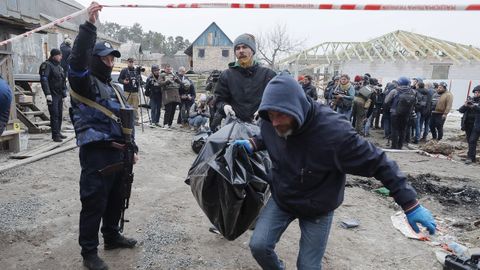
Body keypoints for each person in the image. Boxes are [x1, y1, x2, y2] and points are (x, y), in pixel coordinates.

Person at [233, 73, 436, 270]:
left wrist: (410, 204)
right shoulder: (270, 119)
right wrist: (254, 142)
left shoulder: (335, 133)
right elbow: (272, 134)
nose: (275, 121)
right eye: (270, 115)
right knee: (258, 246)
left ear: (297, 108)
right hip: (283, 197)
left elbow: (379, 162)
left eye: (280, 115)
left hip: (318, 205)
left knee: (308, 266)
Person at [68, 3, 138, 269]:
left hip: (121, 151)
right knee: (94, 201)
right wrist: (89, 27)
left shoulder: (114, 86)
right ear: (94, 59)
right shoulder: (82, 82)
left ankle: (111, 235)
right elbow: (76, 60)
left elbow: (125, 120)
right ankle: (89, 253)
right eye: (106, 58)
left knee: (117, 197)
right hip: (97, 152)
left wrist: (133, 148)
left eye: (112, 58)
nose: (110, 62)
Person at [214, 33, 276, 123]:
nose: (241, 51)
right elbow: (219, 100)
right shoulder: (226, 75)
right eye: (237, 48)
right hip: (235, 126)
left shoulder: (268, 75)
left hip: (263, 125)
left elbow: (276, 99)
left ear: (252, 50)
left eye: (244, 47)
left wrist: (266, 110)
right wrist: (224, 106)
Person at [40, 48, 67, 142]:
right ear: (54, 56)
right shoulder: (47, 65)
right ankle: (55, 135)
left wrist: (64, 94)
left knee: (60, 114)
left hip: (59, 94)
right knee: (54, 114)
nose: (61, 57)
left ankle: (58, 132)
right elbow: (44, 80)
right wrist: (47, 94)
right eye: (59, 55)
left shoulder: (59, 67)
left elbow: (63, 81)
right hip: (52, 94)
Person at [384, 77, 417, 149]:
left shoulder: (394, 91)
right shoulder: (413, 92)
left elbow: (386, 101)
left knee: (394, 129)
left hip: (394, 113)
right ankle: (400, 145)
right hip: (406, 113)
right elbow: (415, 102)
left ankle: (394, 146)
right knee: (403, 129)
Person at [459, 85, 480, 164]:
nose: (476, 94)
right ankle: (472, 157)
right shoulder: (471, 100)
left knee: (472, 140)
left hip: (477, 125)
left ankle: (469, 157)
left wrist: (474, 106)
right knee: (470, 141)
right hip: (468, 124)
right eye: (475, 92)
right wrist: (465, 105)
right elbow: (461, 110)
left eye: (478, 92)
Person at [118, 58, 140, 123]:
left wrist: (139, 81)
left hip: (135, 91)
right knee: (127, 106)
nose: (131, 63)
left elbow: (140, 80)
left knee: (135, 107)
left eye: (132, 62)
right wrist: (124, 81)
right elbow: (119, 79)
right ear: (127, 62)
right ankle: (127, 120)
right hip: (127, 91)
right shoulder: (124, 70)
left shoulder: (136, 71)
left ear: (134, 62)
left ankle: (136, 120)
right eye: (130, 62)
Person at [160, 64, 181, 129]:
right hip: (167, 94)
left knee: (173, 110)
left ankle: (170, 124)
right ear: (165, 69)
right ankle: (165, 124)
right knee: (168, 110)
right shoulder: (162, 75)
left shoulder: (174, 75)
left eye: (170, 69)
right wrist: (166, 82)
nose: (169, 70)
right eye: (167, 69)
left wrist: (176, 79)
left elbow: (180, 82)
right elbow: (159, 83)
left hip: (175, 94)